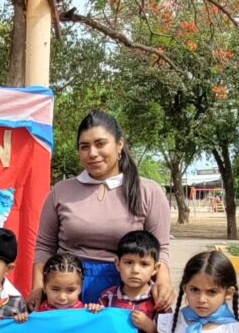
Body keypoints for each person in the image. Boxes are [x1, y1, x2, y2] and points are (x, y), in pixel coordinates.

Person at [30, 111, 173, 309]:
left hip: (127, 294)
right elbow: (45, 247)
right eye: (84, 147)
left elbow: (161, 248)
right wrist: (38, 287)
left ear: (119, 144)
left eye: (100, 144)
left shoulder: (149, 192)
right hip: (67, 295)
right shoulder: (61, 191)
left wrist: (164, 283)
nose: (92, 153)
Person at [34, 254, 102, 312]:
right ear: (44, 286)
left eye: (70, 290)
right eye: (55, 289)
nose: (62, 297)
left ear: (80, 288)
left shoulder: (86, 312)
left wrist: (95, 311)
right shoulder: (36, 312)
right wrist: (24, 319)